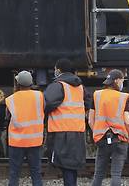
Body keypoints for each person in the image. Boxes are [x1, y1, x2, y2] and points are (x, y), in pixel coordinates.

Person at [45, 58, 89, 186]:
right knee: (71, 167)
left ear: (58, 70)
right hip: (77, 130)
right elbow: (87, 103)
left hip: (60, 131)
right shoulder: (80, 87)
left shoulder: (58, 85)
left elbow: (47, 103)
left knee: (64, 166)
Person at [89, 69, 129, 186]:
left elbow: (90, 119)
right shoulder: (123, 97)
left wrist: (97, 132)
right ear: (117, 80)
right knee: (116, 174)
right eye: (122, 81)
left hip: (102, 138)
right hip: (119, 138)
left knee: (98, 174)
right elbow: (127, 121)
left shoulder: (97, 95)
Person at [5, 71, 44, 186]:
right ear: (31, 83)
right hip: (35, 141)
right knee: (36, 173)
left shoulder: (10, 99)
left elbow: (7, 118)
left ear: (17, 83)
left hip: (17, 142)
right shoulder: (39, 96)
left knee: (14, 174)